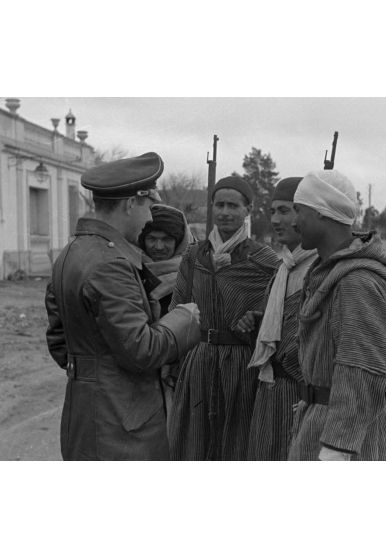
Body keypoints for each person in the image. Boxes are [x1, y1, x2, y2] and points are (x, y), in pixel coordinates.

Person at [45, 152, 201, 461]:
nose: (148, 218)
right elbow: (141, 351)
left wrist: (92, 370)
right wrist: (187, 317)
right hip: (122, 425)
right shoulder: (109, 263)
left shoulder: (71, 252)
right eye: (146, 206)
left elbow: (59, 339)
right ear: (131, 203)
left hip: (86, 413)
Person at [287, 170, 386, 461]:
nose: (294, 222)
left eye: (299, 210)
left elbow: (364, 369)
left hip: (349, 441)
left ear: (322, 213)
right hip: (322, 423)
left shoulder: (357, 283)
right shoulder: (330, 273)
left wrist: (337, 449)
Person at [168, 175, 280, 460]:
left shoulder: (264, 259)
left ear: (248, 211)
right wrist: (175, 364)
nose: (225, 212)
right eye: (219, 205)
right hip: (199, 362)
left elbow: (279, 309)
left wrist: (255, 319)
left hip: (242, 366)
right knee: (194, 442)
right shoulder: (194, 256)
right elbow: (178, 309)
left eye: (234, 205)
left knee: (237, 444)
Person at [236, 177, 317, 460]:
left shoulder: (320, 270)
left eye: (285, 211)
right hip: (270, 394)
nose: (275, 219)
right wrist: (256, 324)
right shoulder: (283, 268)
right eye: (272, 211)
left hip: (300, 398)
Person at [138, 204, 196, 316]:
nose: (159, 246)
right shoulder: (128, 270)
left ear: (180, 242)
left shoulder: (197, 276)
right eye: (152, 239)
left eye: (167, 239)